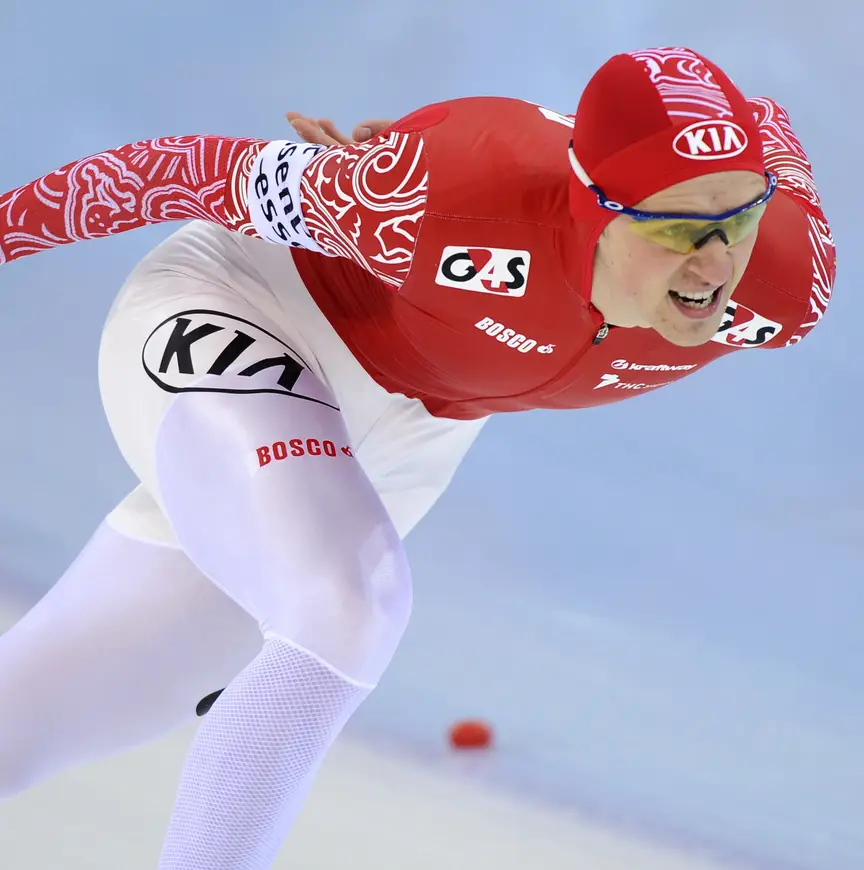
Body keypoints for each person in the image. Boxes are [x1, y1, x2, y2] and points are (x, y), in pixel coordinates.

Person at [0, 46, 836, 869]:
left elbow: (771, 129)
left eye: (738, 220)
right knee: (347, 607)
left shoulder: (785, 280)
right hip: (252, 310)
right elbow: (179, 172)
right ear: (593, 205)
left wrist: (739, 187)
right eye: (682, 229)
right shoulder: (433, 200)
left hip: (410, 437)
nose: (717, 265)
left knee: (33, 717)